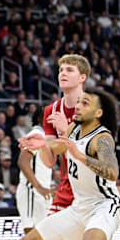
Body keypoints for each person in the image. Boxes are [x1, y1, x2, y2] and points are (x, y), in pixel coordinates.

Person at [18, 89, 120, 240]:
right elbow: (57, 147)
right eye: (79, 101)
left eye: (85, 103)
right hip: (79, 207)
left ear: (98, 113)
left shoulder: (102, 138)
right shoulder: (74, 127)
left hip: (104, 204)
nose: (78, 106)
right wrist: (43, 145)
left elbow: (112, 172)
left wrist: (80, 155)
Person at [38, 54, 90, 215]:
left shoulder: (94, 106)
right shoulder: (51, 111)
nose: (63, 74)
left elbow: (91, 148)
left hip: (94, 183)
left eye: (69, 70)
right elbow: (48, 161)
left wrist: (65, 130)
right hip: (68, 184)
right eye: (61, 70)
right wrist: (41, 145)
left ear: (82, 77)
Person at [16, 112, 53, 234]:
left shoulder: (46, 137)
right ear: (41, 119)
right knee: (32, 233)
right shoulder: (35, 134)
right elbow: (23, 161)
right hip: (32, 190)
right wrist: (38, 186)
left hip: (41, 191)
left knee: (43, 235)